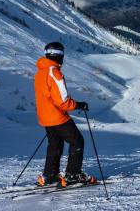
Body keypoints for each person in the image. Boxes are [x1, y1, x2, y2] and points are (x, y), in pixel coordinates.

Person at [34, 41, 90, 186]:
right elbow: (63, 101)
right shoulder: (54, 73)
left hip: (45, 117)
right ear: (59, 55)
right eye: (62, 54)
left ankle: (50, 175)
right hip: (57, 116)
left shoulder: (40, 72)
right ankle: (72, 174)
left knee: (55, 144)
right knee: (77, 141)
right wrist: (79, 105)